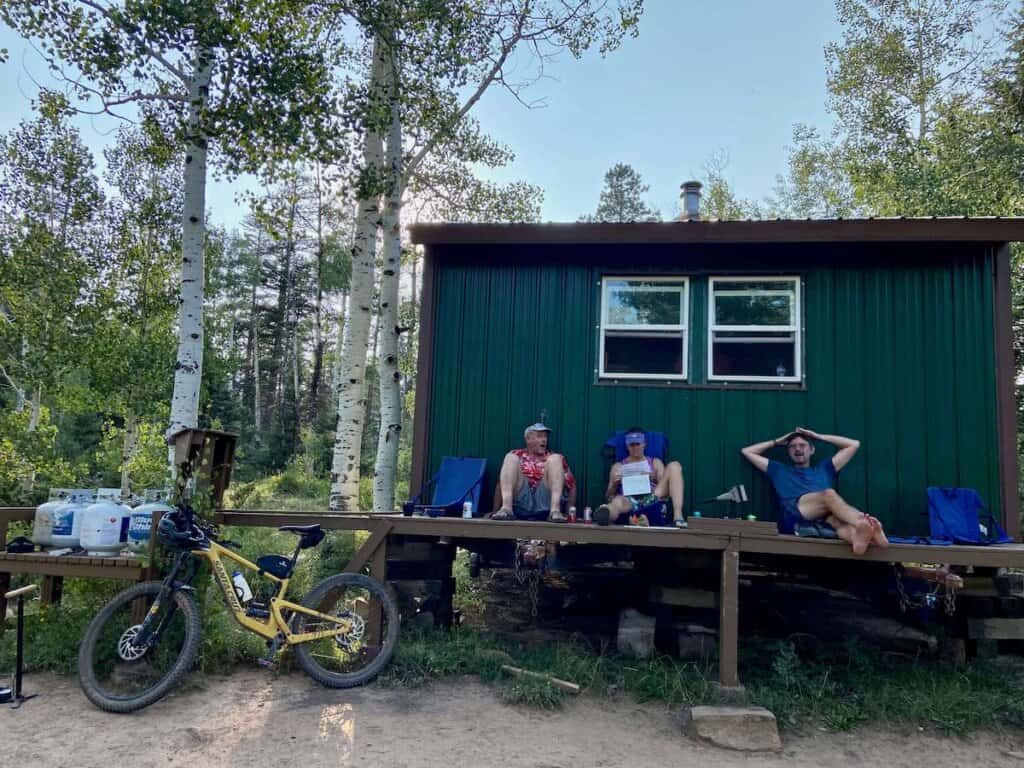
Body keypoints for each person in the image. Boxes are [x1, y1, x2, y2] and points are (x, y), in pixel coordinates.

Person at [741, 427, 889, 555]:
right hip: (794, 511)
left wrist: (818, 437)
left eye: (802, 445)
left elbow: (853, 444)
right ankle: (867, 524)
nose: (797, 449)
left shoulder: (824, 469)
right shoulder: (779, 470)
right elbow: (747, 452)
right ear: (788, 452)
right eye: (792, 447)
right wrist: (778, 442)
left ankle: (857, 540)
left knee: (838, 522)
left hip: (824, 515)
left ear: (812, 450)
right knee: (828, 494)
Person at [594, 427, 686, 528]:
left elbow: (666, 490)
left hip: (651, 498)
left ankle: (678, 517)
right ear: (627, 445)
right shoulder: (618, 466)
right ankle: (606, 514)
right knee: (617, 501)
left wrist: (654, 478)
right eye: (632, 444)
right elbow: (608, 496)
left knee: (674, 466)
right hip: (628, 501)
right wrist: (615, 484)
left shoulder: (655, 462)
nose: (635, 447)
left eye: (638, 444)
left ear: (644, 444)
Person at [489, 422, 577, 522]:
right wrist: (494, 511)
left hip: (545, 503)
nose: (544, 439)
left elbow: (571, 485)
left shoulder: (554, 457)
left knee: (556, 458)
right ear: (528, 439)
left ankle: (555, 512)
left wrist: (569, 513)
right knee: (510, 457)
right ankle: (506, 509)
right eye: (539, 436)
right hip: (520, 502)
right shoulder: (517, 454)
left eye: (545, 437)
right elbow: (501, 483)